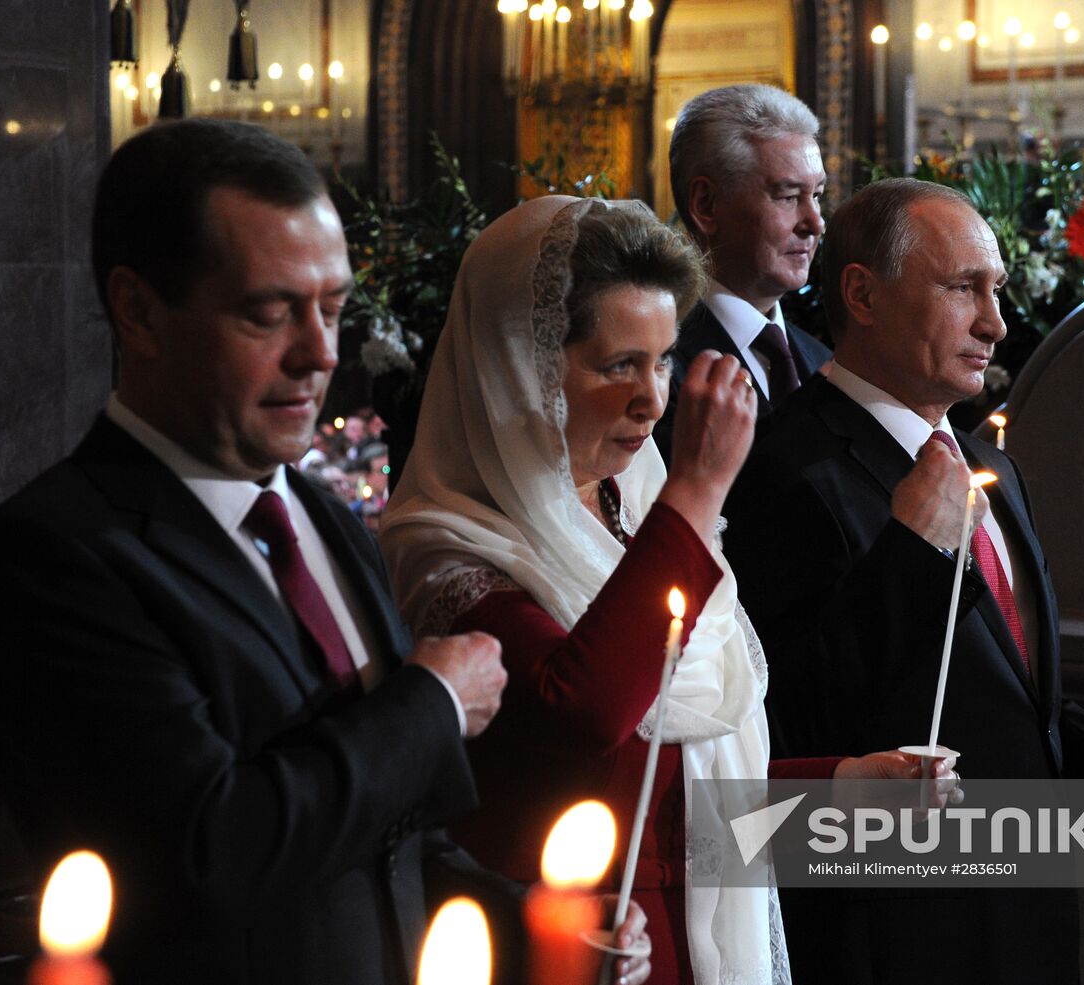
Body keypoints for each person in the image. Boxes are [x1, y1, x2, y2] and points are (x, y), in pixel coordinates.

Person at [0, 120, 648, 985]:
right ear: (138, 311)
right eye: (268, 312)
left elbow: (398, 839)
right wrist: (430, 700)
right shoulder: (55, 553)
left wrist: (529, 925)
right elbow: (204, 850)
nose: (320, 353)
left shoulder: (319, 515)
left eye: (331, 308)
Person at [378, 196, 946, 985]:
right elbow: (587, 709)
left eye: (664, 360)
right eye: (619, 364)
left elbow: (686, 798)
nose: (653, 399)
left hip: (691, 942)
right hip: (564, 950)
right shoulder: (448, 542)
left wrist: (840, 784)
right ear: (523, 369)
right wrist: (698, 493)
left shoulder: (636, 513)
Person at [722, 178, 1084, 984]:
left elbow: (1003, 680)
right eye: (961, 287)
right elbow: (779, 720)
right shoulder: (781, 471)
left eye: (998, 290)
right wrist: (913, 547)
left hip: (1025, 916)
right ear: (863, 294)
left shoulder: (992, 466)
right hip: (895, 934)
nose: (995, 323)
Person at [653, 84, 832, 459]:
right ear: (706, 205)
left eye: (816, 195)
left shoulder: (822, 360)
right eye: (788, 197)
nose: (815, 223)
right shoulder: (654, 363)